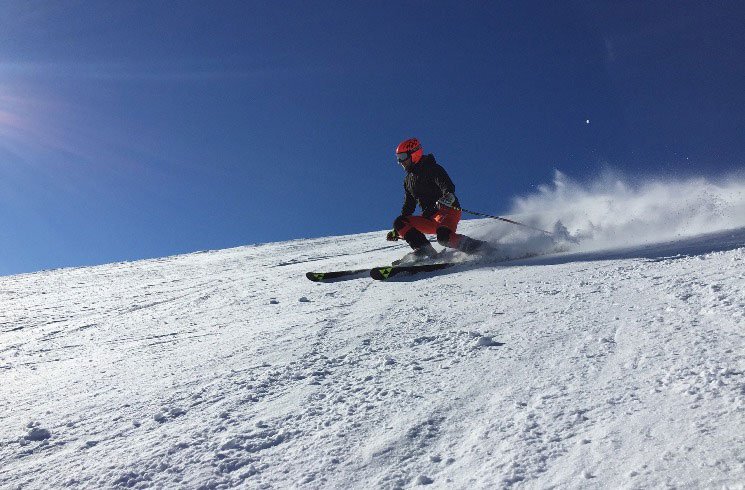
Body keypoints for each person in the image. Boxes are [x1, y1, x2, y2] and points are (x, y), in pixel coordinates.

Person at [386, 137, 491, 263]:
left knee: (444, 237)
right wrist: (398, 230)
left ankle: (484, 249)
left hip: (447, 211)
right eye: (398, 158)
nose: (400, 161)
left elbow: (447, 186)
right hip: (429, 218)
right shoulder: (408, 180)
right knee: (399, 222)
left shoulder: (432, 168)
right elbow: (409, 205)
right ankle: (425, 250)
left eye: (403, 157)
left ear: (414, 153)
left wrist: (447, 196)